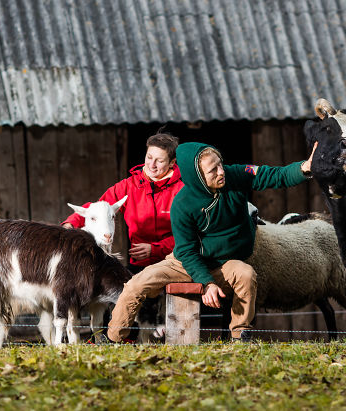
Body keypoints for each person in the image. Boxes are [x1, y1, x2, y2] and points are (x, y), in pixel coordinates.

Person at [105, 140, 317, 342]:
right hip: (184, 263)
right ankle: (114, 337)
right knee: (135, 284)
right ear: (197, 176)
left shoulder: (235, 175)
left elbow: (272, 175)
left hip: (222, 263)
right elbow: (187, 251)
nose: (221, 172)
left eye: (220, 165)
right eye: (213, 170)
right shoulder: (183, 204)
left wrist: (303, 168)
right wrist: (207, 283)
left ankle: (240, 335)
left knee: (246, 274)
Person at [62, 132, 182, 271]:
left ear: (172, 162)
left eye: (159, 161)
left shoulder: (182, 191)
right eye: (149, 157)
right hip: (139, 265)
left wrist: (155, 249)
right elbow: (99, 208)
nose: (152, 165)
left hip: (174, 262)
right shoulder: (128, 186)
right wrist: (70, 224)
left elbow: (190, 234)